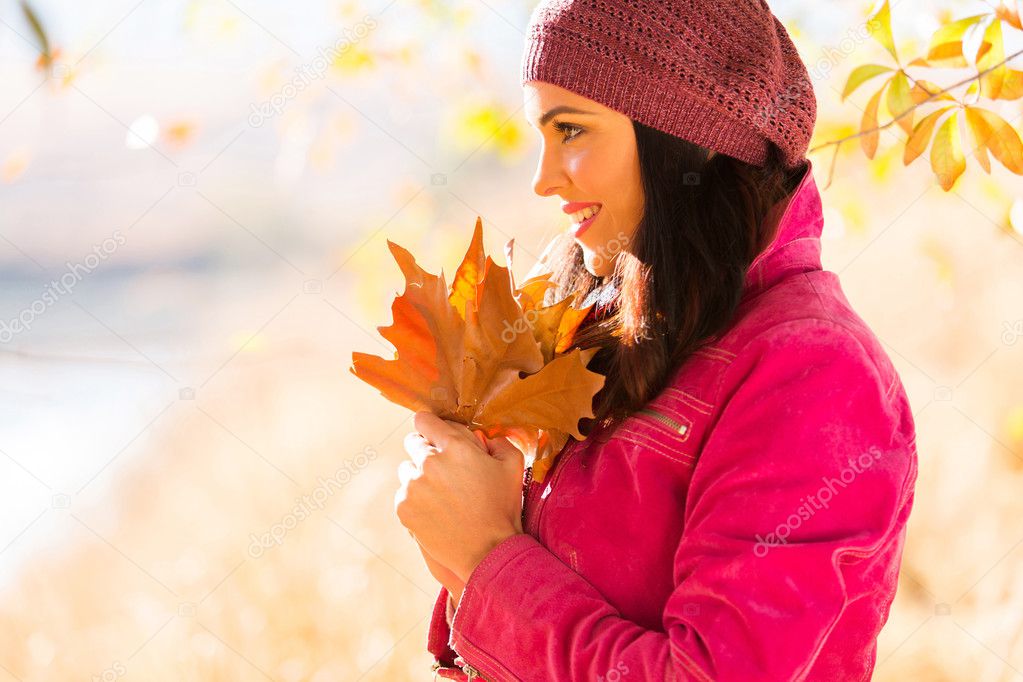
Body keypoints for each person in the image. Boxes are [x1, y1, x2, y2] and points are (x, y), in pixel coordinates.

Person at [394, 1, 919, 680]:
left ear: (691, 135)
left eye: (572, 131)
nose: (543, 178)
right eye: (541, 135)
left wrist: (485, 555)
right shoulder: (596, 316)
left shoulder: (813, 371)